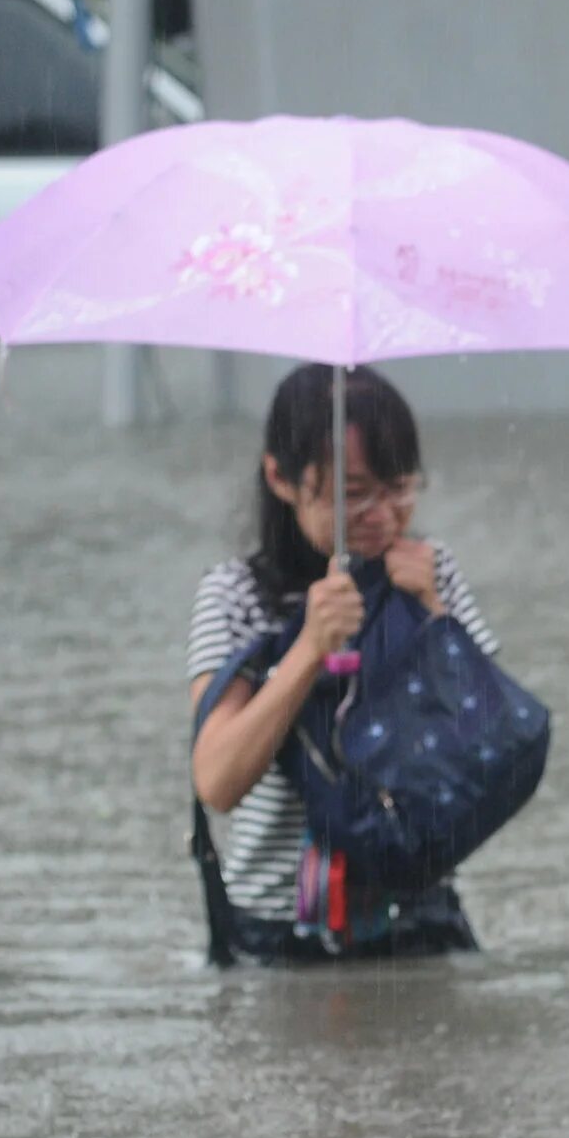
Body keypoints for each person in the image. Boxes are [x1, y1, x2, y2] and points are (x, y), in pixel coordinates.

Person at [185, 363, 501, 964]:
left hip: (419, 914)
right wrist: (309, 648)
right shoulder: (235, 596)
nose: (383, 514)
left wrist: (434, 618)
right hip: (279, 933)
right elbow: (217, 780)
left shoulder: (431, 573)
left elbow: (489, 744)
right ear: (280, 477)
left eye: (400, 486)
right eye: (354, 493)